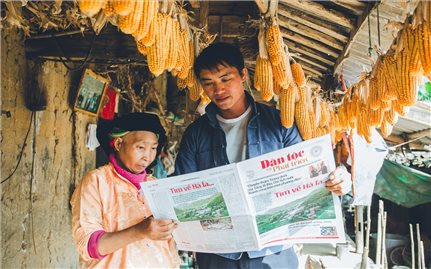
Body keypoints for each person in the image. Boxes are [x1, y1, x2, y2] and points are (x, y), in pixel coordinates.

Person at [174, 42, 350, 269]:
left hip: (274, 251)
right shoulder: (196, 134)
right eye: (209, 83)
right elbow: (183, 188)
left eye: (226, 79)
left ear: (243, 75)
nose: (218, 90)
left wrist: (338, 180)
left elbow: (309, 177)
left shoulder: (280, 124)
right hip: (219, 254)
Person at [71, 112, 180, 268]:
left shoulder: (155, 186)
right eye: (140, 147)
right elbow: (88, 246)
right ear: (118, 144)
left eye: (153, 148)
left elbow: (169, 246)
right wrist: (139, 231)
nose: (147, 157)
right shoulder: (96, 181)